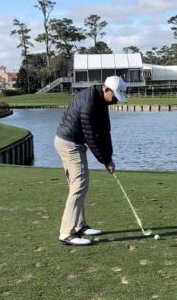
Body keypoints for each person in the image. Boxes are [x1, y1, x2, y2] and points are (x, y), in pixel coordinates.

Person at [54, 75, 128, 246]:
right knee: (79, 185)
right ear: (106, 89)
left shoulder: (101, 100)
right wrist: (104, 160)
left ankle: (80, 226)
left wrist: (109, 157)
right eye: (115, 96)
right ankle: (66, 233)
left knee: (78, 185)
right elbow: (91, 137)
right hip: (69, 143)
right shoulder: (90, 103)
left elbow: (104, 131)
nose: (116, 101)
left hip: (71, 141)